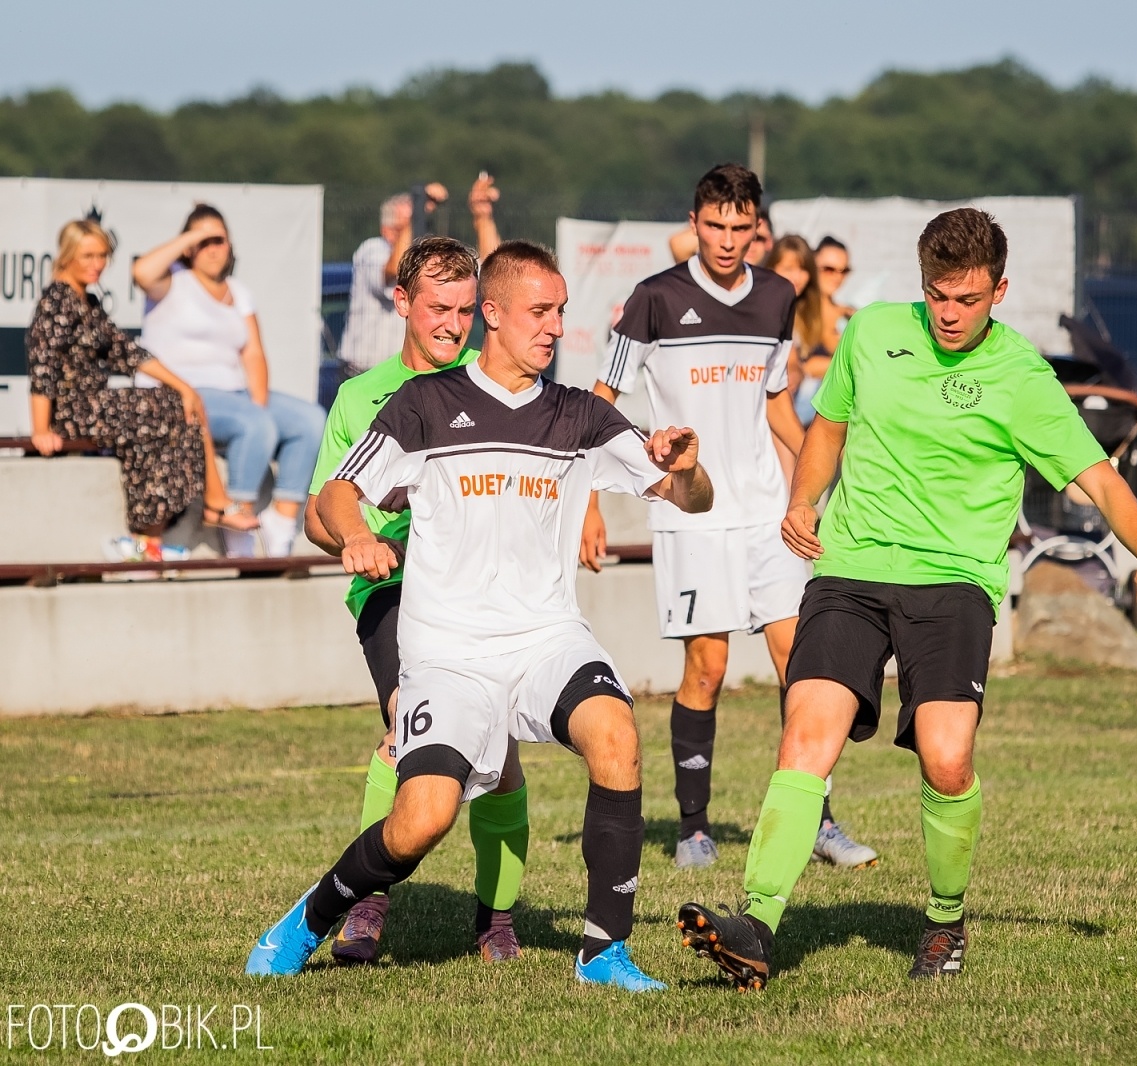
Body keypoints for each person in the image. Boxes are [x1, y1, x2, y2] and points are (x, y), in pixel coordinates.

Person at [678, 208, 1137, 990]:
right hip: (850, 570)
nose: (949, 314)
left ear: (1000, 291)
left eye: (968, 299)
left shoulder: (1022, 378)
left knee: (948, 761)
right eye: (937, 295)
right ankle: (756, 923)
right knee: (807, 733)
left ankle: (945, 923)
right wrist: (805, 500)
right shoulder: (874, 332)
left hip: (953, 585)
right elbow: (829, 427)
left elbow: (1097, 477)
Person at [247, 240, 712, 993]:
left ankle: (604, 952)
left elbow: (693, 500)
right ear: (492, 315)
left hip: (546, 640)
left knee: (617, 736)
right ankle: (313, 914)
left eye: (562, 311)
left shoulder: (581, 416)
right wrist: (360, 533)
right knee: (420, 820)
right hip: (448, 654)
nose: (557, 326)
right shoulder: (424, 406)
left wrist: (688, 467)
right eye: (541, 311)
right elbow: (333, 496)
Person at [584, 164, 878, 871]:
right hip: (692, 513)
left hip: (765, 516)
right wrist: (588, 501)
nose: (724, 239)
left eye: (738, 227)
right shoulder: (653, 299)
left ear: (756, 229)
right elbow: (602, 398)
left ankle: (817, 819)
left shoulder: (777, 295)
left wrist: (816, 486)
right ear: (694, 224)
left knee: (800, 664)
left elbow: (777, 403)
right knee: (708, 669)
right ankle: (693, 828)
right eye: (713, 225)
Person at [302, 235, 530, 965]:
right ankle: (367, 903)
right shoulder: (360, 397)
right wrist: (356, 537)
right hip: (394, 591)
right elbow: (317, 512)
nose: (452, 324)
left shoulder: (495, 381)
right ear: (401, 302)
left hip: (484, 592)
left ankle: (496, 920)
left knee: (502, 755)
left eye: (466, 310)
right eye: (438, 307)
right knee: (408, 733)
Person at [27, 218, 245, 562]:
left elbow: (126, 352)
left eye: (102, 256)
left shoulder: (87, 301)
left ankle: (149, 539)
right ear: (67, 256)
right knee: (168, 408)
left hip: (96, 406)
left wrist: (185, 386)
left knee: (177, 407)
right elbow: (42, 367)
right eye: (87, 256)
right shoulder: (57, 300)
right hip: (75, 412)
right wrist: (40, 429)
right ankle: (191, 513)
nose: (96, 264)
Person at [133, 205, 326, 557]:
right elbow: (141, 271)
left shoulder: (238, 291)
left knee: (310, 420)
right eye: (203, 241)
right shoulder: (171, 281)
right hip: (183, 393)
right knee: (254, 423)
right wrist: (194, 234)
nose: (213, 248)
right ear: (188, 245)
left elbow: (253, 353)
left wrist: (259, 400)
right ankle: (236, 518)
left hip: (233, 393)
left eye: (219, 240)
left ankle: (281, 522)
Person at [338, 175, 502, 377]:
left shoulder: (429, 262)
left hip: (418, 376)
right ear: (387, 230)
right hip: (364, 372)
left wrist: (481, 215)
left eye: (420, 223)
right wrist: (418, 208)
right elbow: (398, 268)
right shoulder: (372, 249)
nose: (417, 229)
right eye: (406, 225)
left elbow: (492, 270)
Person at [793, 236, 857, 425]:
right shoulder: (796, 312)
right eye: (828, 269)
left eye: (844, 270)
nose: (837, 277)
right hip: (800, 414)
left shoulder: (850, 314)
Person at [762, 235, 824, 420]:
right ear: (771, 268)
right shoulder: (767, 306)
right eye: (788, 269)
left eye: (803, 269)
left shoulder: (807, 309)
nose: (796, 277)